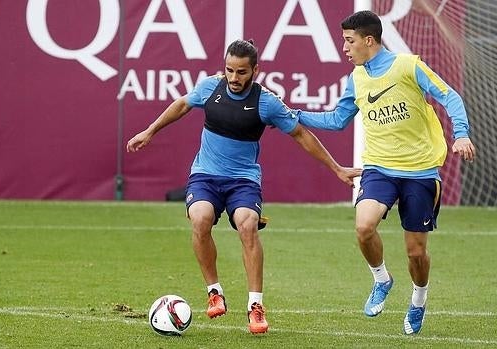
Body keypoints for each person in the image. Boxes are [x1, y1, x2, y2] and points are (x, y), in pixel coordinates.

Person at [127, 39, 361, 334]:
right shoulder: (211, 87)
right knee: (200, 219)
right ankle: (214, 291)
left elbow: (301, 135)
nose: (234, 78)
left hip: (243, 180)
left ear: (255, 71)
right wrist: (150, 131)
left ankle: (255, 306)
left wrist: (336, 168)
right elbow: (182, 105)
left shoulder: (267, 102)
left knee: (247, 225)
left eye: (241, 72)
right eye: (229, 70)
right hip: (206, 175)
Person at [296, 10, 476, 335]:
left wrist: (460, 134)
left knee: (416, 252)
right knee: (364, 227)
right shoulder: (357, 78)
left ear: (369, 40)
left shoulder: (408, 66)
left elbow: (450, 96)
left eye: (349, 42)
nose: (345, 48)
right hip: (378, 167)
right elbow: (338, 120)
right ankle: (382, 279)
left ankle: (419, 299)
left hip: (420, 171)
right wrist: (295, 114)